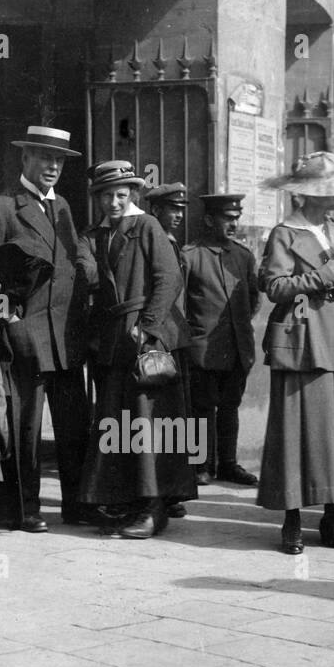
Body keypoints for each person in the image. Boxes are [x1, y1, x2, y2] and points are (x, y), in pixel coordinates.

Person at [255, 152, 334, 554]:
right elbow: (273, 287)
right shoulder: (284, 233)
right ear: (307, 195)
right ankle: (291, 519)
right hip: (305, 342)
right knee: (298, 429)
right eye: (331, 192)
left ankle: (331, 517)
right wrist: (318, 277)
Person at [0, 125, 93, 532]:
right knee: (27, 425)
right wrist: (11, 320)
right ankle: (23, 508)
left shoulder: (62, 209)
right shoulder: (3, 208)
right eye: (44, 157)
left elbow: (71, 264)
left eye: (58, 160)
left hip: (65, 336)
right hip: (26, 336)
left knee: (74, 423)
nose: (52, 166)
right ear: (25, 159)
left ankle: (77, 504)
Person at [78, 159, 197, 537]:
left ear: (131, 194)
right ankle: (126, 502)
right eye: (105, 196)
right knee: (120, 423)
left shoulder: (146, 225)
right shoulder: (100, 234)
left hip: (146, 338)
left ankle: (153, 508)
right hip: (116, 338)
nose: (113, 202)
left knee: (150, 424)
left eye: (119, 195)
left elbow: (169, 279)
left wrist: (147, 327)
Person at [183, 194, 261, 488]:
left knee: (230, 406)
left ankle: (227, 464)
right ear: (208, 220)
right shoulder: (191, 256)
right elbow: (180, 305)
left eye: (236, 218)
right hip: (203, 349)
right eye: (227, 218)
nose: (233, 223)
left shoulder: (243, 256)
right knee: (202, 407)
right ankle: (200, 465)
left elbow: (253, 299)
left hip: (237, 347)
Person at [145, 181, 193, 516]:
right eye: (170, 209)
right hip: (159, 336)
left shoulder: (173, 242)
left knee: (177, 420)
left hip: (176, 336)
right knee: (160, 418)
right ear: (155, 211)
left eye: (180, 210)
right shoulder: (151, 239)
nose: (176, 216)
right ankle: (164, 492)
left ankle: (174, 491)